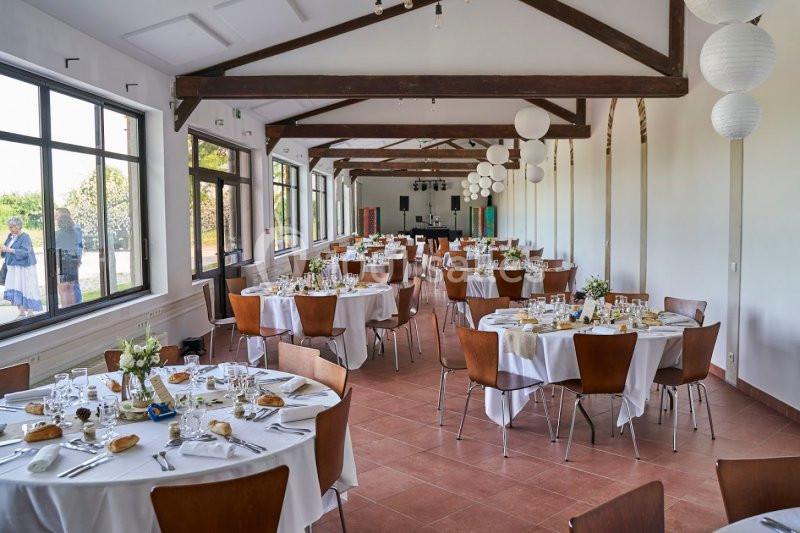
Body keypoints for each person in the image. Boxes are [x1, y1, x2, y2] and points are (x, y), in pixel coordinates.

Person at [1, 216, 43, 317]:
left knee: (26, 288)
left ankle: (30, 311)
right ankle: (21, 311)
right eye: (9, 227)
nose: (10, 229)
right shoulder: (10, 236)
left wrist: (9, 250)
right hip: (13, 267)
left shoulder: (25, 237)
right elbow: (5, 250)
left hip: (23, 268)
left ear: (18, 226)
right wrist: (2, 250)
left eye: (12, 227)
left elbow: (25, 252)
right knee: (15, 287)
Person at [54, 208, 84, 306]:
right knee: (70, 289)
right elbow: (78, 247)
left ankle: (65, 312)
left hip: (63, 264)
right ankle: (73, 311)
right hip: (73, 262)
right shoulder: (75, 233)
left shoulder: (57, 234)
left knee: (63, 290)